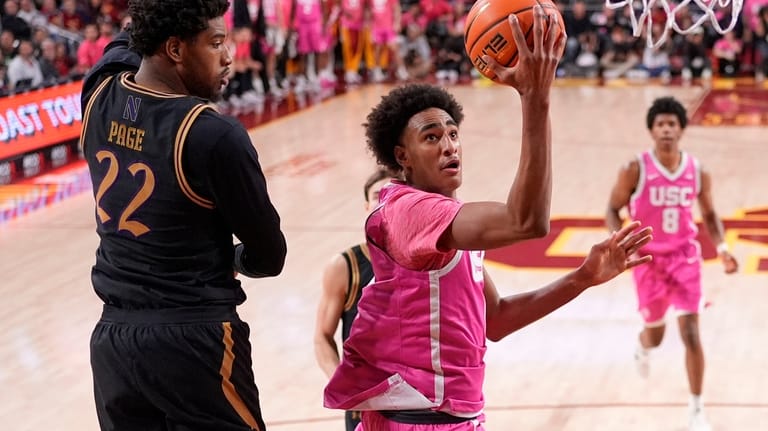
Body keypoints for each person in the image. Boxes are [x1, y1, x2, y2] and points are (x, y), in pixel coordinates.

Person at [324, 8, 653, 430]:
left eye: (452, 133)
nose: (448, 145)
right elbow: (526, 221)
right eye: (430, 137)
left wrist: (583, 277)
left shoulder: (449, 224)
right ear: (401, 157)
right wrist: (535, 98)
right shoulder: (407, 211)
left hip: (458, 417)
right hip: (415, 422)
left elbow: (493, 320)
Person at [80, 1, 287, 430]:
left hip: (113, 344)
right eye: (215, 43)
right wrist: (233, 259)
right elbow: (270, 257)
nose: (229, 56)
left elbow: (129, 38)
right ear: (174, 49)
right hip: (195, 341)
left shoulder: (98, 92)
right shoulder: (212, 134)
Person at [606, 96, 738, 431]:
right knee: (656, 335)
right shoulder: (634, 167)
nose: (666, 129)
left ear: (681, 129)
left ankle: (696, 409)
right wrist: (622, 241)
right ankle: (642, 345)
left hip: (684, 257)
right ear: (652, 129)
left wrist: (722, 247)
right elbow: (611, 209)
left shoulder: (697, 170)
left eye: (672, 123)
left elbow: (708, 214)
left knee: (691, 332)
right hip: (647, 260)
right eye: (660, 124)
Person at [314, 167, 395, 431]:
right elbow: (322, 337)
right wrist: (341, 383)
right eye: (376, 195)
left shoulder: (426, 259)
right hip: (366, 402)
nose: (383, 201)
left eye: (392, 194)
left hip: (417, 397)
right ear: (365, 206)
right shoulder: (344, 267)